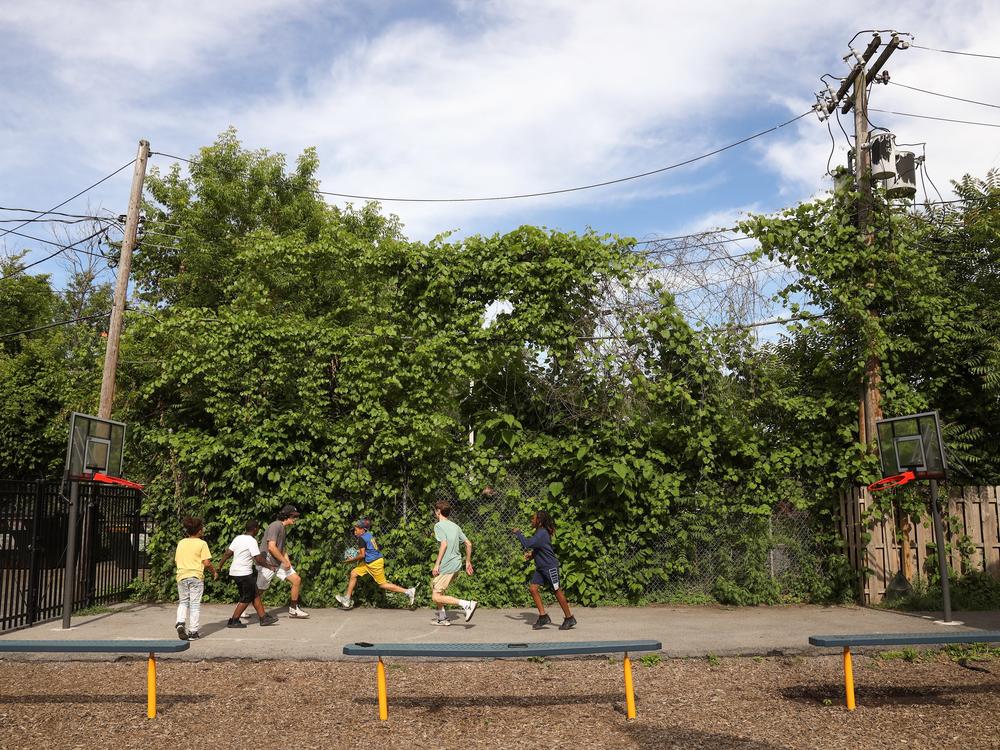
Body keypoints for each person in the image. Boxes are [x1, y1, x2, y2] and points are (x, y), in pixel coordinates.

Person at [514, 510, 576, 630]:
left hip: (550, 567)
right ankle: (543, 617)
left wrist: (518, 533)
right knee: (533, 589)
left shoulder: (542, 533)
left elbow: (527, 543)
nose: (531, 520)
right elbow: (541, 548)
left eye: (533, 518)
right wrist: (532, 555)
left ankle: (569, 618)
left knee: (557, 591)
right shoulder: (540, 532)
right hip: (541, 568)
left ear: (539, 521)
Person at [335, 519, 417, 610]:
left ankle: (408, 591)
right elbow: (369, 549)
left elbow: (362, 555)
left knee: (383, 585)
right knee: (354, 573)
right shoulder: (369, 535)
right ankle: (347, 599)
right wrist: (357, 552)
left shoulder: (361, 539)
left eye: (356, 530)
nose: (355, 532)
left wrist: (350, 561)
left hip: (374, 563)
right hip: (369, 562)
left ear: (363, 530)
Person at [217, 520, 280, 628]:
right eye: (258, 528)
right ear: (255, 529)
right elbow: (258, 559)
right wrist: (270, 567)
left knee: (254, 594)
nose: (258, 530)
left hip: (235, 572)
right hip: (244, 573)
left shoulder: (238, 538)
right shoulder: (251, 541)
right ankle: (233, 620)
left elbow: (228, 553)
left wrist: (219, 566)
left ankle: (263, 618)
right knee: (246, 597)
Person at [257, 504, 309, 618]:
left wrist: (287, 561)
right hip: (268, 563)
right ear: (287, 516)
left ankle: (293, 609)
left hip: (277, 561)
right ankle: (242, 609)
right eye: (294, 516)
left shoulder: (283, 528)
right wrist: (283, 561)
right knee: (259, 590)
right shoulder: (276, 526)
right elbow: (271, 547)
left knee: (296, 580)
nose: (296, 519)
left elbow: (282, 548)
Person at [430, 500, 476, 626]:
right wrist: (467, 562)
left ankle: (466, 604)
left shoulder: (438, 526)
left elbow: (443, 544)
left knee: (436, 596)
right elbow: (468, 543)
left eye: (435, 510)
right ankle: (442, 617)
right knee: (435, 586)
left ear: (438, 511)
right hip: (456, 564)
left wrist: (437, 564)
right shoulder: (455, 526)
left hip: (448, 564)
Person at [174, 516, 218, 640]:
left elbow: (177, 560)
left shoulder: (181, 542)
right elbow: (207, 563)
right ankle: (193, 632)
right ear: (199, 530)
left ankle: (180, 622)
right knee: (194, 605)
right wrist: (214, 572)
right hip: (196, 577)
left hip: (182, 576)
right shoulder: (202, 543)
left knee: (183, 602)